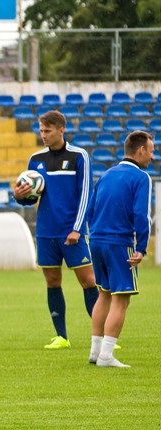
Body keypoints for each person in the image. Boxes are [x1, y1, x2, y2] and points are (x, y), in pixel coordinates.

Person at [15, 110, 97, 350]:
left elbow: (86, 194)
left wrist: (77, 229)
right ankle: (61, 336)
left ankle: (101, 333)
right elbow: (31, 197)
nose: (43, 135)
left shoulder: (79, 156)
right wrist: (19, 196)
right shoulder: (35, 158)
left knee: (88, 281)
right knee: (52, 281)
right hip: (46, 231)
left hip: (71, 233)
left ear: (61, 130)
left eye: (47, 131)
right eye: (41, 131)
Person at [87, 131, 153, 368]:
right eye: (151, 151)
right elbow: (141, 215)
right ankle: (106, 356)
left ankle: (95, 352)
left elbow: (90, 209)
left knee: (104, 293)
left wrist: (94, 233)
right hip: (119, 242)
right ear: (141, 151)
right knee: (121, 298)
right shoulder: (141, 177)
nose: (152, 157)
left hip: (96, 239)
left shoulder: (106, 174)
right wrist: (141, 248)